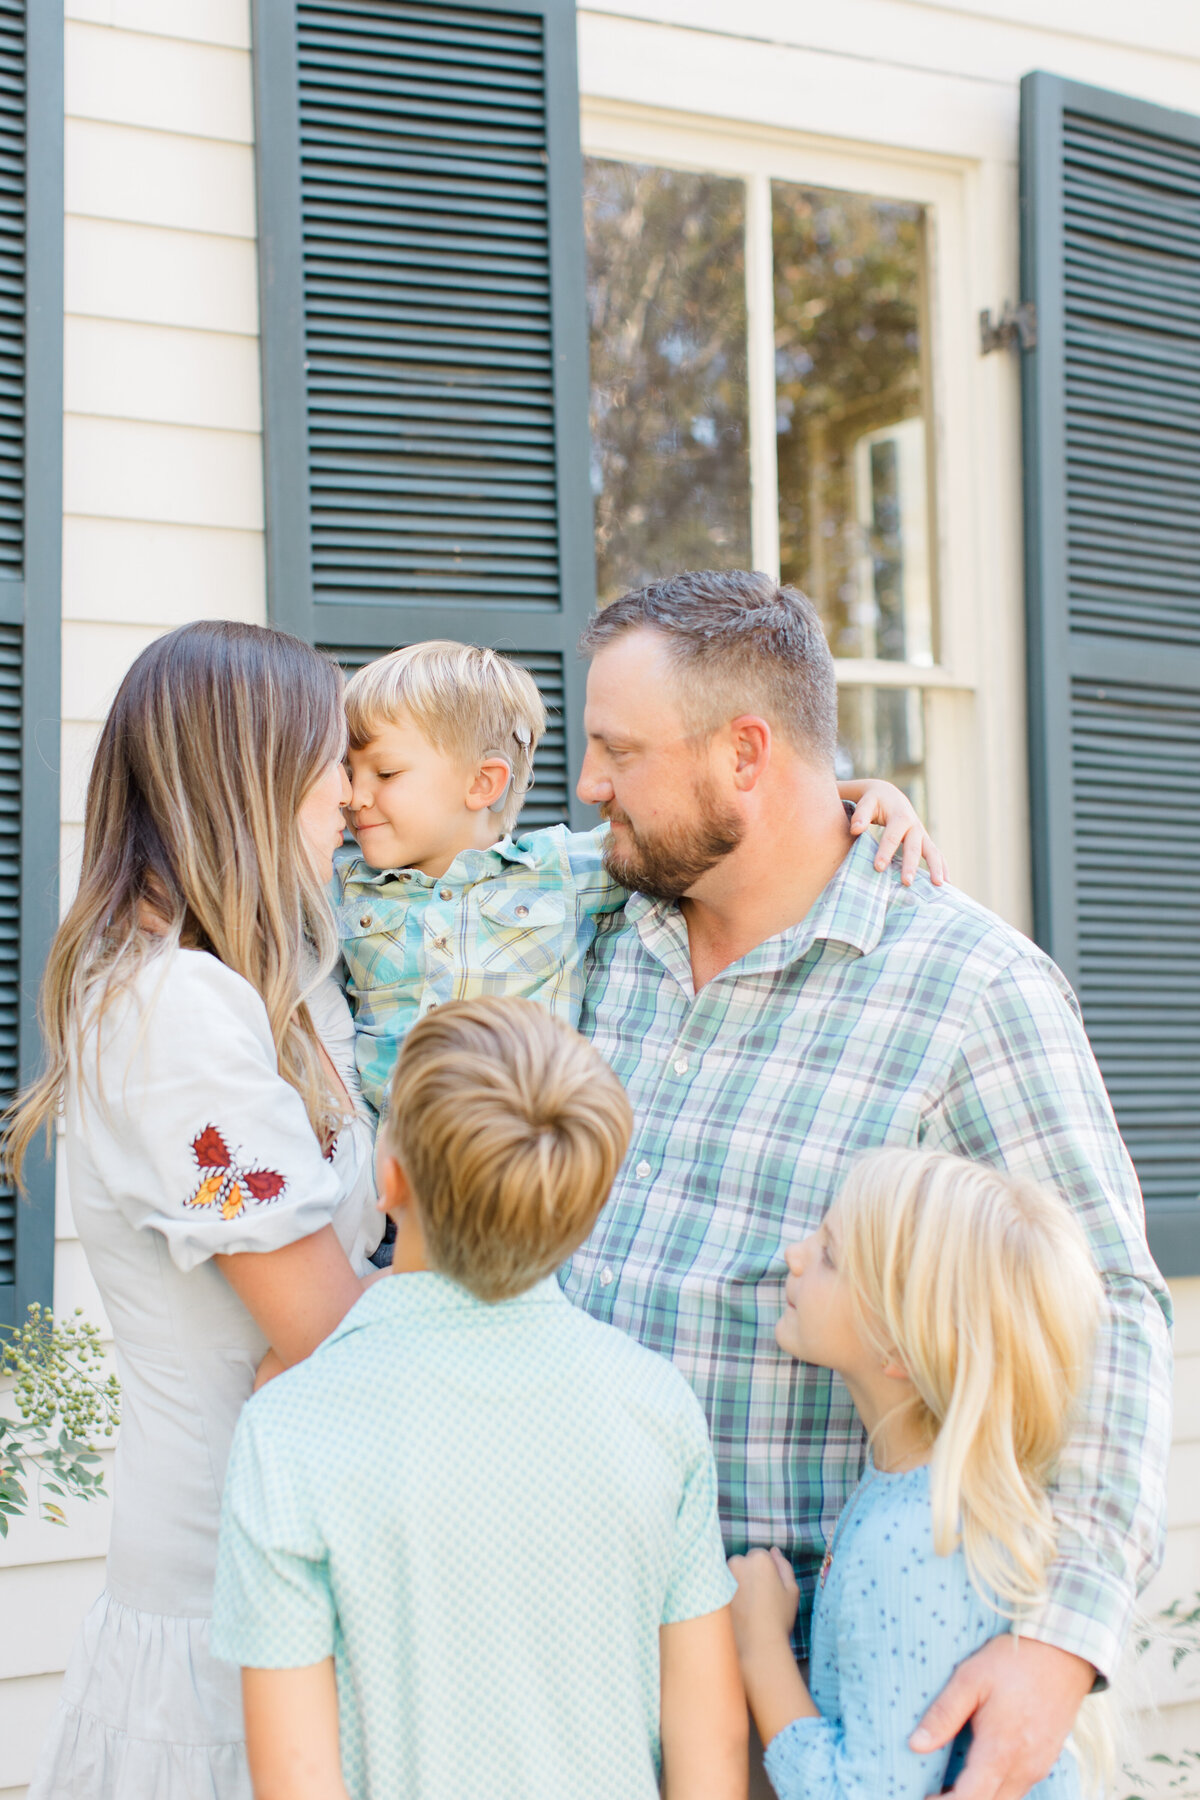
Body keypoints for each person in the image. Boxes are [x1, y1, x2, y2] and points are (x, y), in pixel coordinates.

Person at [559, 570, 1173, 1800]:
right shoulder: (582, 920)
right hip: (564, 1677)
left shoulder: (972, 991)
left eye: (618, 750)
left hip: (809, 1711)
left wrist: (1062, 1637)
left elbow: (1108, 1308)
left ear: (746, 753)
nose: (587, 785)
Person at [8, 622, 383, 1800]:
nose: (353, 801)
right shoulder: (166, 1012)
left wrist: (834, 811)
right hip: (231, 1586)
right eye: (335, 763)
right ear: (254, 777)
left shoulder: (259, 984)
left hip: (306, 1552)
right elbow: (326, 1327)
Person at [211, 997, 748, 1800]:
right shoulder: (657, 1406)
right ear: (590, 1206)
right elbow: (710, 1744)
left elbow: (295, 1781)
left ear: (388, 1176)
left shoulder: (289, 1431)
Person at [335, 639, 943, 1118]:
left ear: (482, 784)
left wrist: (868, 793)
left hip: (526, 1191)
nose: (353, 796)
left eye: (384, 773)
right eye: (346, 771)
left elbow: (705, 815)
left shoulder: (561, 871)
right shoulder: (343, 885)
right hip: (392, 1196)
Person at [728, 1148, 1104, 1799]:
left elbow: (871, 1792)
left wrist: (759, 1645)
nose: (793, 1253)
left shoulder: (915, 1539)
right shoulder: (915, 1492)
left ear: (899, 1345)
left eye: (829, 1256)